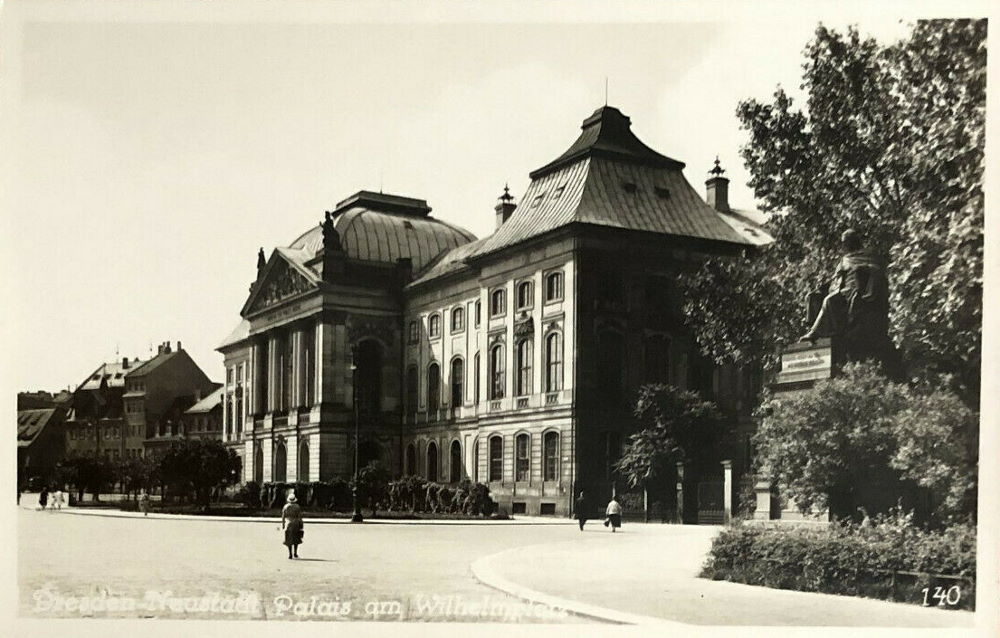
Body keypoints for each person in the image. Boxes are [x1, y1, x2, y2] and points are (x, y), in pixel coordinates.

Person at [281, 491, 304, 559]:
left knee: (289, 539)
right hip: (296, 523)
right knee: (296, 539)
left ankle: (290, 554)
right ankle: (295, 553)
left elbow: (283, 516)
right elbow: (299, 516)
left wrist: (283, 524)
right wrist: (301, 524)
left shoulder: (285, 507)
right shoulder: (297, 506)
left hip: (288, 523)